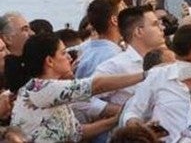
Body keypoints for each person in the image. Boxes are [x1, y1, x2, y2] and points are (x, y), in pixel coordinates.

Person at [9, 33, 146, 143]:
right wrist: (144, 75)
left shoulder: (54, 92)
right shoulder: (39, 89)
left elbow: (77, 132)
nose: (69, 58)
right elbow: (96, 85)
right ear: (49, 61)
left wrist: (117, 119)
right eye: (63, 53)